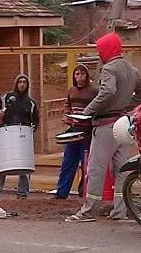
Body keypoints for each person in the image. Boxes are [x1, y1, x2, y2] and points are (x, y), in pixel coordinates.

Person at [66, 32, 141, 223]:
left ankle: (88, 211)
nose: (99, 54)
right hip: (123, 125)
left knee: (95, 169)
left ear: (106, 50)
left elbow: (108, 91)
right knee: (122, 170)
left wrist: (88, 110)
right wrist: (127, 106)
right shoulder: (131, 69)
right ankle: (120, 211)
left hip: (105, 125)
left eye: (100, 50)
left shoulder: (109, 69)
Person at [0, 74, 40, 200]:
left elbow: (36, 120)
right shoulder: (6, 97)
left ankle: (22, 194)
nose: (22, 84)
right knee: (3, 165)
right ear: (16, 83)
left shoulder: (31, 103)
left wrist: (32, 130)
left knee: (25, 166)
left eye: (24, 82)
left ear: (27, 85)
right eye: (20, 82)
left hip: (23, 137)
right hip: (8, 135)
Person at [54, 64, 98, 199]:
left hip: (87, 131)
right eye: (77, 74)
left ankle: (83, 192)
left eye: (82, 74)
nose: (79, 77)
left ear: (87, 75)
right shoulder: (71, 90)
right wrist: (67, 114)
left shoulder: (94, 90)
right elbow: (67, 104)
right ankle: (61, 193)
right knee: (68, 162)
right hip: (73, 129)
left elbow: (98, 106)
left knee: (86, 163)